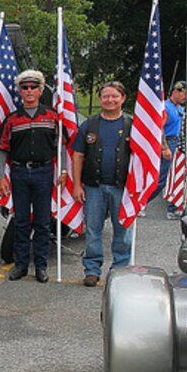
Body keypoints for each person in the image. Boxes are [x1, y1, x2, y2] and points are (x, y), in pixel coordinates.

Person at [0, 70, 64, 283]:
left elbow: (61, 145)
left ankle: (41, 266)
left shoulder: (52, 117)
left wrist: (63, 171)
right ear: (20, 91)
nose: (29, 91)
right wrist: (1, 176)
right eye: (24, 87)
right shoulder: (12, 120)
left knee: (43, 222)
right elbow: (2, 149)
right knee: (21, 221)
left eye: (33, 87)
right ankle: (21, 265)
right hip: (19, 173)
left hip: (44, 172)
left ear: (41, 90)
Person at [70, 81, 134, 287]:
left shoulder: (131, 125)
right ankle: (92, 269)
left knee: (123, 231)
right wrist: (77, 185)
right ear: (100, 99)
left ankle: (120, 270)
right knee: (93, 230)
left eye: (114, 96)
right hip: (93, 187)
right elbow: (78, 155)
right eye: (106, 96)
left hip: (122, 188)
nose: (110, 100)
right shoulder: (89, 125)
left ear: (122, 99)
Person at [151, 81, 187, 219]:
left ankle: (173, 208)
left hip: (178, 141)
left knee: (177, 177)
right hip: (168, 141)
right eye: (184, 93)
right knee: (162, 178)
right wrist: (165, 148)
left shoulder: (180, 108)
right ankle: (141, 203)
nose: (185, 97)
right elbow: (160, 127)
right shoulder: (166, 107)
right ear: (176, 91)